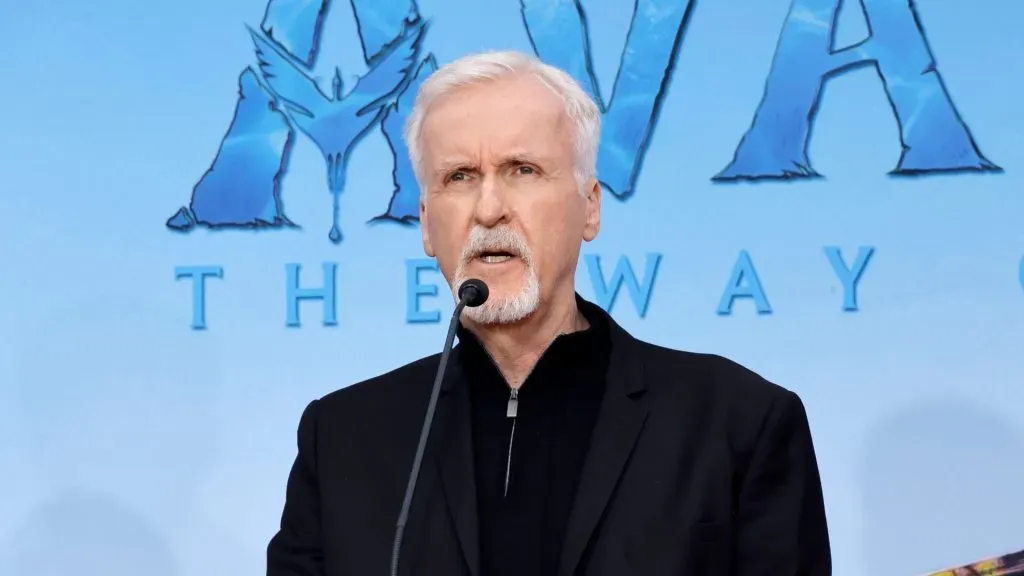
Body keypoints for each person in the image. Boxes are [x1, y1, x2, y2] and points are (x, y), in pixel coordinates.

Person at [266, 50, 831, 576]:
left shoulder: (736, 423)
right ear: (424, 223)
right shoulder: (343, 438)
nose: (489, 209)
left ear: (590, 208)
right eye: (459, 178)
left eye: (522, 170)